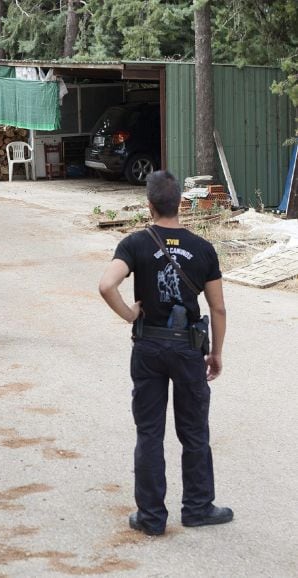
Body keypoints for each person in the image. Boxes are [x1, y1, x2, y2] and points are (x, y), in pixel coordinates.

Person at [98, 170, 232, 536]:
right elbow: (218, 309)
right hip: (188, 349)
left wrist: (131, 315)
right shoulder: (203, 248)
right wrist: (216, 352)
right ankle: (198, 508)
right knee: (194, 432)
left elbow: (106, 284)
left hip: (149, 347)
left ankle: (152, 517)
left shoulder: (136, 244)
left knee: (150, 433)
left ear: (149, 205)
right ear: (180, 205)